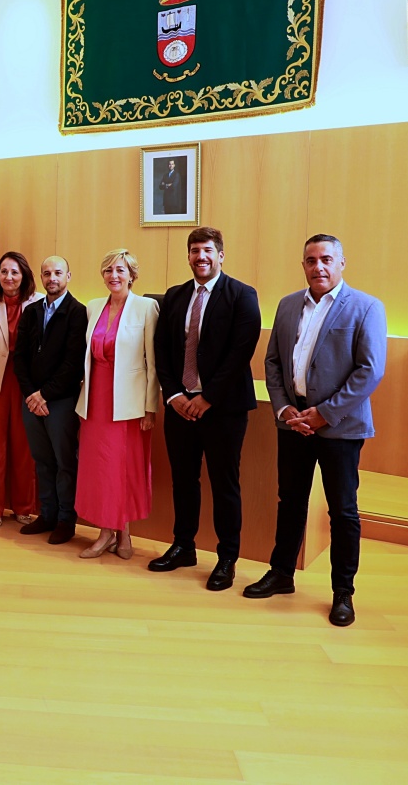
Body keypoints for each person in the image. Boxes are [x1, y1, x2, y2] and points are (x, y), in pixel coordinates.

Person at [246, 234, 387, 627]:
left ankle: (343, 593)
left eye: (326, 259)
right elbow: (273, 362)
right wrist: (284, 408)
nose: (318, 267)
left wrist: (324, 414)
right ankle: (281, 573)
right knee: (289, 500)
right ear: (303, 265)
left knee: (343, 511)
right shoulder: (288, 305)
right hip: (293, 423)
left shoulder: (366, 307)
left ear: (342, 262)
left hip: (340, 427)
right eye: (311, 260)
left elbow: (370, 371)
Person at [150, 227, 261, 590]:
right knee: (183, 480)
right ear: (188, 256)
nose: (201, 257)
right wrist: (173, 395)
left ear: (220, 255)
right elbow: (162, 349)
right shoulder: (175, 295)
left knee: (224, 484)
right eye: (195, 250)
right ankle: (184, 546)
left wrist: (207, 397)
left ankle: (227, 558)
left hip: (223, 409)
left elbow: (240, 353)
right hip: (180, 407)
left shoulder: (242, 295)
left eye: (208, 250)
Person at [74, 249, 161, 559]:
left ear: (132, 275)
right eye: (109, 270)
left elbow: (153, 362)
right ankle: (107, 532)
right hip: (95, 400)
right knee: (100, 469)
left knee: (123, 468)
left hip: (129, 403)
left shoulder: (146, 307)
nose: (114, 276)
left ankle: (122, 531)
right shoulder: (93, 306)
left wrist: (150, 407)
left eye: (120, 270)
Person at [13, 256, 88, 545]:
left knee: (65, 462)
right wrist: (31, 394)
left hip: (61, 402)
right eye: (47, 273)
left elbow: (73, 363)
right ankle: (47, 514)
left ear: (68, 276)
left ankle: (66, 520)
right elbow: (19, 357)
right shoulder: (31, 311)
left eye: (58, 272)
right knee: (42, 460)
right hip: (31, 400)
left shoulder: (77, 312)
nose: (52, 278)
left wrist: (44, 395)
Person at [0, 251, 43, 529]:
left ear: (24, 275)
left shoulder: (39, 302)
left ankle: (24, 507)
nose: (9, 277)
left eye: (14, 272)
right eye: (4, 271)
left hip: (27, 384)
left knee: (24, 447)